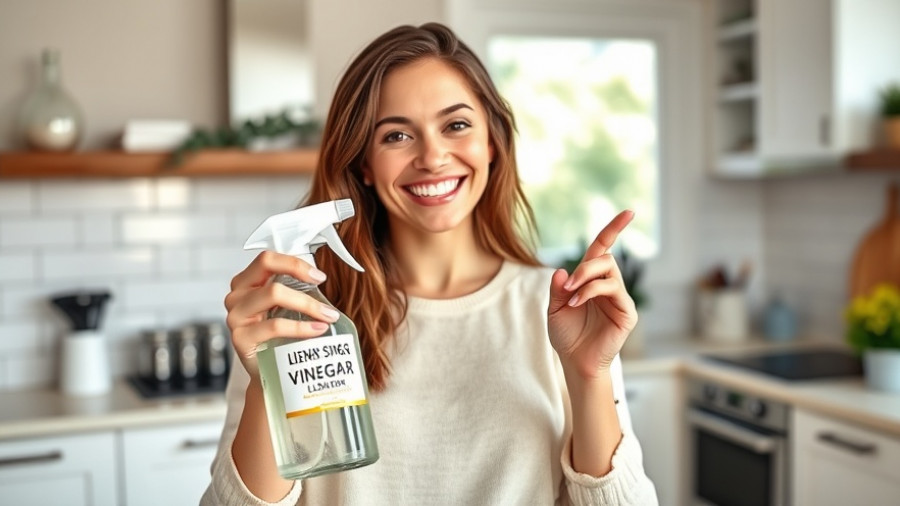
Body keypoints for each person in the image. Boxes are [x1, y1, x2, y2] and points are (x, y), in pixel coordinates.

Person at [202, 22, 658, 506]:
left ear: (491, 142)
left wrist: (590, 375)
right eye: (397, 135)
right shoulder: (303, 317)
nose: (433, 157)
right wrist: (264, 389)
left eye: (456, 125)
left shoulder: (559, 309)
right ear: (364, 165)